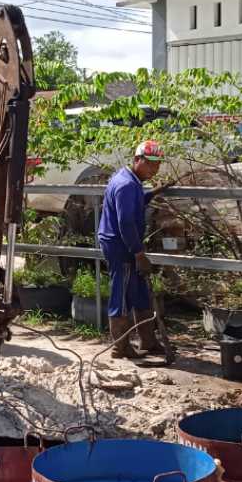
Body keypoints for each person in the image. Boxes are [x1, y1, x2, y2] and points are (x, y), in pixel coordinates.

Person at [96, 139, 171, 360]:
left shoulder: (132, 180)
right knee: (121, 292)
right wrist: (139, 254)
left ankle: (148, 341)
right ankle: (120, 346)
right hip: (120, 246)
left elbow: (134, 204)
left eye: (157, 165)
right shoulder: (126, 184)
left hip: (128, 243)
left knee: (139, 291)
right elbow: (125, 222)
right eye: (150, 164)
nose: (154, 169)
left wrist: (153, 193)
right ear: (137, 160)